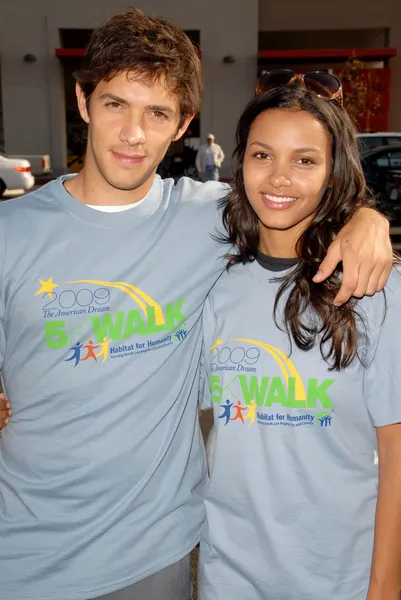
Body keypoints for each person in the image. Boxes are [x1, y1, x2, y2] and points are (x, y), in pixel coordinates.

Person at [0, 10, 393, 600]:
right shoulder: (11, 233)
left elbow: (294, 189)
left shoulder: (206, 217)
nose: (133, 133)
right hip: (25, 554)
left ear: (182, 123)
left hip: (155, 556)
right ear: (83, 103)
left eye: (156, 112)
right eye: (115, 104)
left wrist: (369, 217)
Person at [199, 74, 401, 600]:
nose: (279, 178)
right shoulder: (211, 283)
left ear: (334, 171)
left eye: (305, 160)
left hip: (342, 579)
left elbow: (397, 451)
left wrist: (384, 587)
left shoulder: (375, 290)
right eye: (263, 155)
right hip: (230, 577)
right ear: (240, 162)